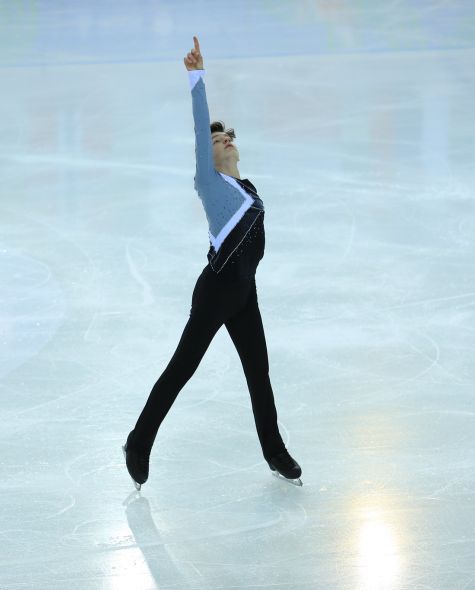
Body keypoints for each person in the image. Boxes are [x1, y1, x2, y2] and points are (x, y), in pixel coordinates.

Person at [123, 36, 302, 489]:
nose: (224, 141)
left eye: (227, 137)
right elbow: (200, 126)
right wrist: (196, 78)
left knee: (258, 372)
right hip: (218, 289)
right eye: (217, 140)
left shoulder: (247, 189)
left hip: (244, 291)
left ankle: (274, 451)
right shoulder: (210, 183)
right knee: (182, 368)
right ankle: (138, 441)